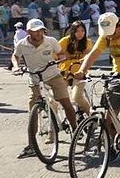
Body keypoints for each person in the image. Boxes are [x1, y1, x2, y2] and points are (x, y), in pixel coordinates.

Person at [75, 12, 120, 160]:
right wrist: (82, 71)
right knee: (108, 117)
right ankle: (116, 142)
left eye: (112, 33)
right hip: (117, 75)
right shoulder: (106, 34)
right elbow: (94, 53)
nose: (109, 37)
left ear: (118, 26)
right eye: (106, 34)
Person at [15, 19, 76, 159]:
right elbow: (15, 56)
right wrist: (16, 66)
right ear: (29, 32)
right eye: (36, 31)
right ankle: (31, 145)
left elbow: (61, 54)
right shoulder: (22, 44)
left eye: (41, 30)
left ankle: (75, 129)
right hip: (34, 78)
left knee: (66, 102)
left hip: (52, 74)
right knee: (33, 110)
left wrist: (60, 60)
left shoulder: (51, 41)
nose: (39, 33)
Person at [59, 21, 93, 115]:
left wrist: (85, 59)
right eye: (77, 31)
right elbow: (55, 54)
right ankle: (55, 123)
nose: (80, 34)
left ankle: (92, 116)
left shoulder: (87, 42)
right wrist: (60, 56)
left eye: (82, 31)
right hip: (65, 72)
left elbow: (89, 55)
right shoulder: (64, 41)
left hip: (79, 73)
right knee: (56, 97)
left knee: (77, 97)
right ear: (72, 32)